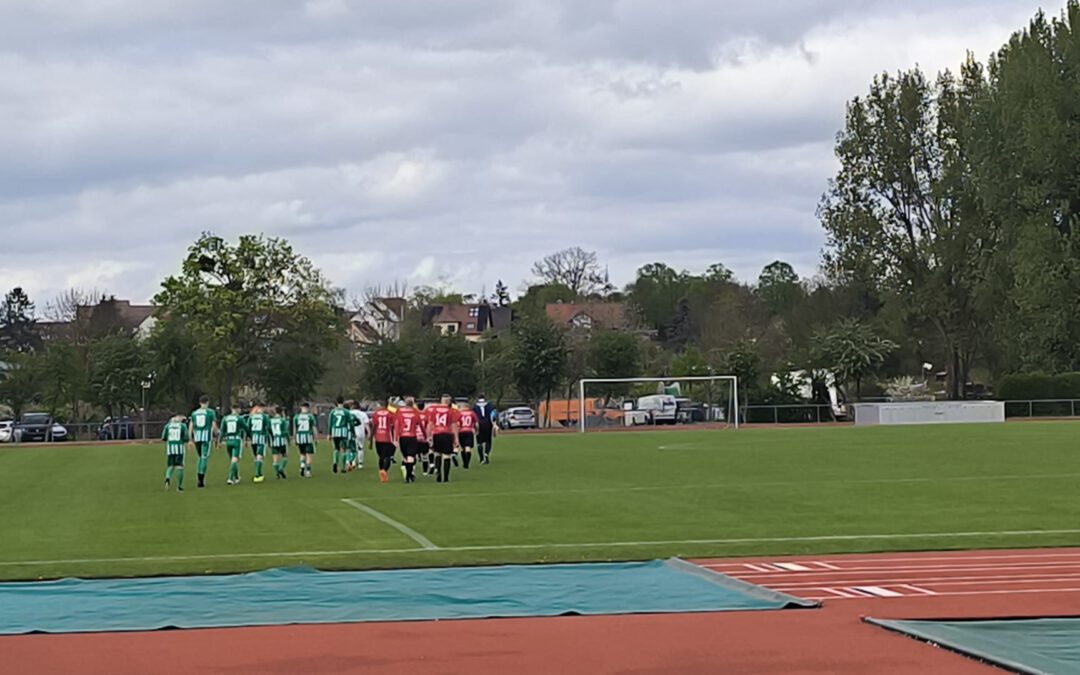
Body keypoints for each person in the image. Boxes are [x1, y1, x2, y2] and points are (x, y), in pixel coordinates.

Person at [426, 394, 460, 483]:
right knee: (446, 455)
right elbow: (454, 425)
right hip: (447, 434)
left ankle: (438, 473)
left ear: (441, 401)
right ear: (449, 402)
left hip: (436, 433)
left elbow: (430, 424)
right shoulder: (451, 411)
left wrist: (429, 436)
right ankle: (446, 477)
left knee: (437, 454)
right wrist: (456, 438)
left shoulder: (434, 410)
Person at [189, 395, 218, 488]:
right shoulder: (210, 412)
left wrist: (190, 439)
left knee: (200, 457)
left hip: (197, 437)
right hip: (206, 437)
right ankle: (200, 479)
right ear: (208, 402)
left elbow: (191, 426)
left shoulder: (194, 413)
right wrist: (217, 434)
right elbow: (213, 426)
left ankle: (199, 477)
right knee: (204, 457)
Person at [395, 397, 423, 483]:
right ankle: (409, 475)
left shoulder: (399, 412)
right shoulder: (415, 412)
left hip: (403, 437)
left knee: (405, 457)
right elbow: (420, 425)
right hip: (412, 436)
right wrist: (425, 435)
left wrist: (396, 438)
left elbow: (397, 425)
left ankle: (408, 476)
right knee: (411, 457)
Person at [221, 404, 247, 485]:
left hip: (228, 440)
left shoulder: (225, 418)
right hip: (236, 440)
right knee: (235, 459)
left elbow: (222, 431)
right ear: (238, 409)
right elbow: (246, 428)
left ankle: (236, 477)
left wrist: (219, 441)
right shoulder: (239, 418)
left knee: (232, 460)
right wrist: (249, 436)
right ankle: (230, 478)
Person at [370, 400, 396, 483]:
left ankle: (381, 471)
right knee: (388, 456)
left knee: (381, 456)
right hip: (388, 438)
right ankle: (384, 471)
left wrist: (371, 438)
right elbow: (393, 426)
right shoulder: (390, 414)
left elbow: (374, 426)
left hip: (378, 437)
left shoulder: (376, 414)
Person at [162, 414, 190, 491]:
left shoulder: (167, 426)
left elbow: (163, 437)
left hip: (170, 449)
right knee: (179, 467)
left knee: (170, 466)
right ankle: (179, 486)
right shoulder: (183, 426)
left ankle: (167, 478)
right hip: (179, 448)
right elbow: (186, 437)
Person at [293, 402, 319, 477]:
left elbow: (295, 429)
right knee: (309, 454)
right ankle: (308, 470)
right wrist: (316, 438)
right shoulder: (310, 416)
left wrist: (294, 438)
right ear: (308, 408)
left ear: (301, 407)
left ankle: (302, 466)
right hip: (308, 437)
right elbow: (314, 428)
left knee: (302, 453)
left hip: (299, 437)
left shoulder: (296, 417)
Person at [247, 403, 271, 483]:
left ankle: (259, 472)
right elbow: (268, 428)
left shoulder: (251, 417)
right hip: (261, 438)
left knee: (256, 457)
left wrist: (249, 437)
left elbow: (248, 428)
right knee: (260, 456)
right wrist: (270, 439)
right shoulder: (265, 417)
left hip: (253, 439)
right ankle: (257, 474)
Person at [328, 397, 353, 474]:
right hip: (343, 432)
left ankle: (335, 462)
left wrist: (329, 433)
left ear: (336, 402)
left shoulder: (332, 412)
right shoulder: (346, 412)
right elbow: (350, 423)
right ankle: (343, 467)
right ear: (343, 402)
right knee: (344, 449)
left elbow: (330, 423)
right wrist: (352, 431)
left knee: (336, 449)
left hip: (335, 431)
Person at [474, 394, 497, 464]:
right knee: (488, 441)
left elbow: (473, 416)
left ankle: (481, 458)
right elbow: (493, 415)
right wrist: (494, 424)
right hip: (488, 424)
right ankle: (486, 454)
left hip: (479, 424)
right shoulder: (489, 405)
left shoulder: (475, 406)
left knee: (479, 442)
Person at [269, 406, 290, 479]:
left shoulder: (270, 421)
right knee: (285, 456)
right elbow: (286, 432)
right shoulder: (283, 420)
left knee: (275, 458)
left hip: (274, 441)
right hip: (282, 440)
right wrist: (289, 440)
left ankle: (277, 473)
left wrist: (269, 441)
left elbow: (269, 431)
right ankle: (281, 468)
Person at [349, 401, 371, 471]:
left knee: (352, 448)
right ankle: (360, 463)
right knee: (360, 448)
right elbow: (366, 425)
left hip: (352, 433)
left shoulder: (349, 413)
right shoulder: (363, 414)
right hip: (361, 433)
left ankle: (353, 462)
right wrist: (369, 433)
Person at [457, 403, 479, 469]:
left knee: (463, 448)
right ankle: (467, 463)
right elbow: (476, 424)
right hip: (469, 431)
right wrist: (477, 430)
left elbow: (457, 424)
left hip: (461, 431)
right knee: (468, 447)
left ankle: (464, 463)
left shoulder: (459, 413)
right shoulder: (472, 413)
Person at [416, 401, 432, 476]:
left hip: (415, 437)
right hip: (423, 437)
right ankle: (425, 472)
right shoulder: (426, 415)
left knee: (412, 455)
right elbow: (428, 426)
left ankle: (412, 471)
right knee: (425, 456)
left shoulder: (415, 415)